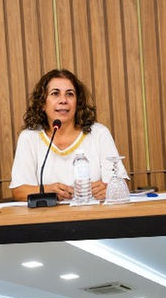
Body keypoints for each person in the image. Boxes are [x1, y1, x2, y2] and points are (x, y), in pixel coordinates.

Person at [9, 69, 126, 202]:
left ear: (77, 103)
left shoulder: (99, 133)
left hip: (94, 217)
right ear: (42, 103)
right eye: (55, 94)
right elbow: (19, 191)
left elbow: (120, 184)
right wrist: (46, 190)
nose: (63, 100)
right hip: (47, 219)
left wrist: (108, 189)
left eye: (70, 94)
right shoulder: (29, 137)